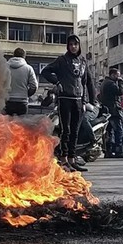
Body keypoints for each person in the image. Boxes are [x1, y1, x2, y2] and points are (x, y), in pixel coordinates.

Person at [41, 35, 96, 172]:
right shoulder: (62, 60)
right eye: (71, 44)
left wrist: (91, 101)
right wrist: (57, 82)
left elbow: (88, 82)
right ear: (68, 46)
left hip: (79, 101)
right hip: (65, 100)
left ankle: (72, 159)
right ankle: (64, 160)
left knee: (75, 132)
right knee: (66, 131)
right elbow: (45, 71)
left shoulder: (83, 62)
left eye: (75, 44)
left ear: (79, 46)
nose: (73, 47)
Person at [100, 68, 123, 158]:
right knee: (118, 131)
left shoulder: (105, 82)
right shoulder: (111, 84)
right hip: (114, 110)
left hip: (107, 110)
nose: (119, 77)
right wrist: (122, 83)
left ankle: (108, 151)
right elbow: (120, 92)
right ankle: (119, 150)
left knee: (108, 132)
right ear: (112, 75)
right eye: (117, 75)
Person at [4, 48, 38, 116]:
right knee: (22, 125)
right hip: (22, 102)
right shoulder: (28, 68)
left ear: (13, 55)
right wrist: (26, 94)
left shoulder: (4, 67)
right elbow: (34, 86)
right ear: (24, 56)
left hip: (8, 101)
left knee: (6, 124)